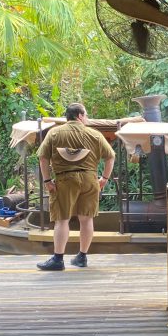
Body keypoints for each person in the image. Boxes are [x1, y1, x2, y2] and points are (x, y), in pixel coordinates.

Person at [36, 103, 115, 271]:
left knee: (62, 219)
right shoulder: (95, 134)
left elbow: (43, 158)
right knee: (86, 219)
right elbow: (110, 157)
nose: (87, 118)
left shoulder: (54, 133)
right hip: (89, 179)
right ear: (79, 115)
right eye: (86, 115)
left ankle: (58, 259)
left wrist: (47, 181)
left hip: (65, 180)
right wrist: (105, 179)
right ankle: (82, 257)